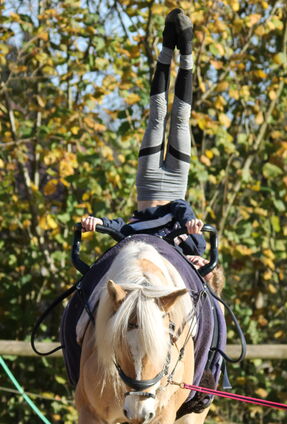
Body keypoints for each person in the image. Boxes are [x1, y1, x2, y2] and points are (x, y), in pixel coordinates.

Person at [81, 8, 206, 259]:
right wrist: (191, 224)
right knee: (181, 120)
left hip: (148, 184)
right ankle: (187, 52)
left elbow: (117, 226)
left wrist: (95, 222)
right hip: (175, 185)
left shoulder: (134, 234)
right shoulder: (182, 237)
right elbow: (197, 242)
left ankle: (167, 46)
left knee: (156, 117)